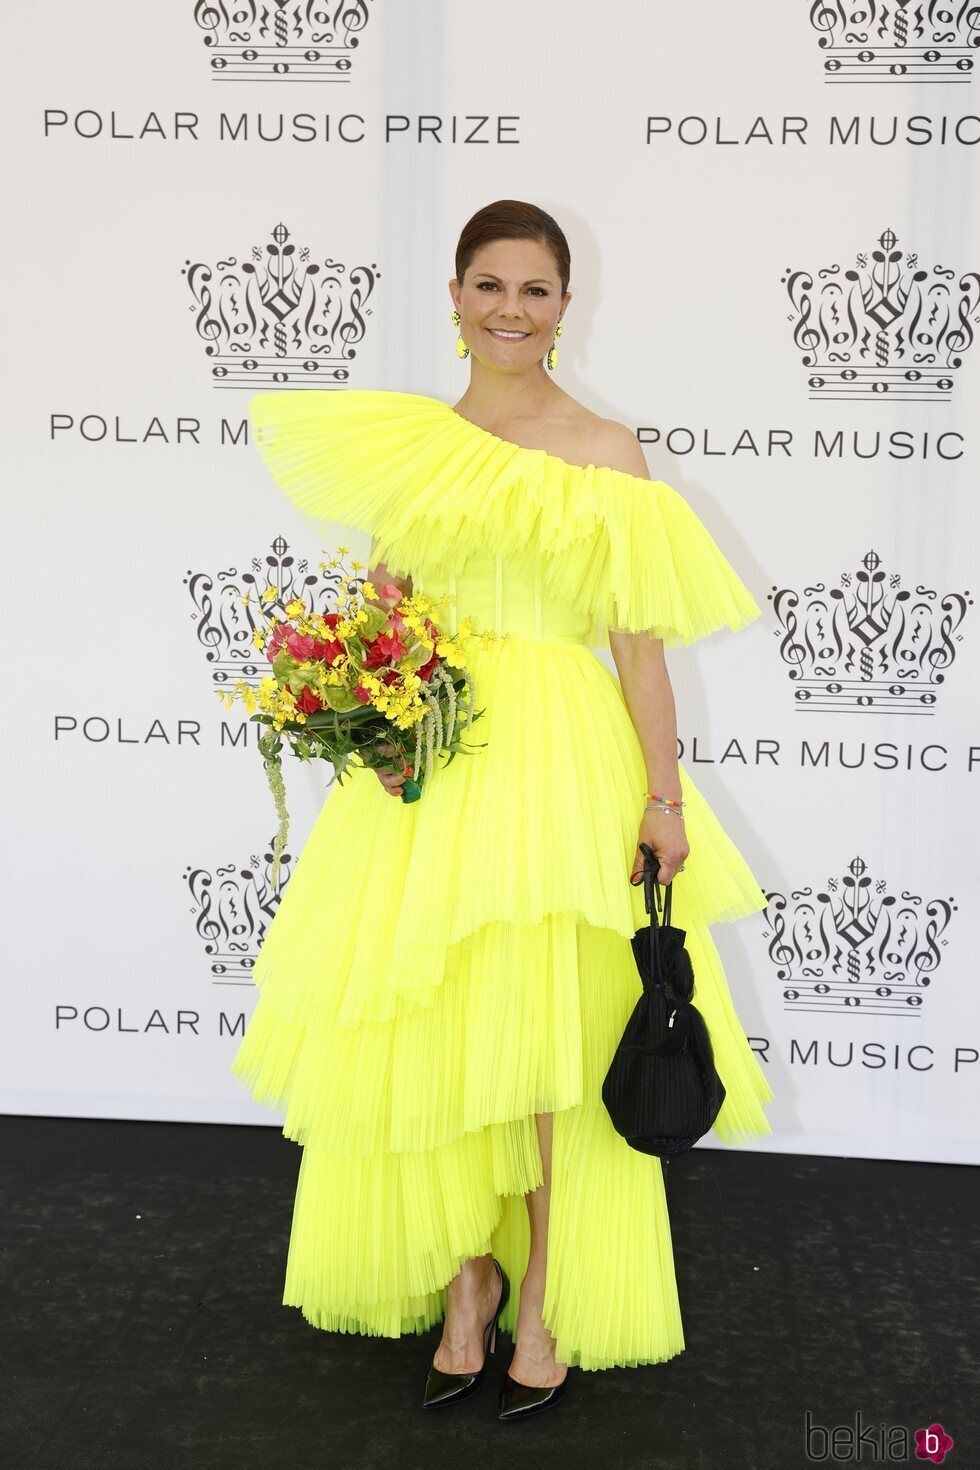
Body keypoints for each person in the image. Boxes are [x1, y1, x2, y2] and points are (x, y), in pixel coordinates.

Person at [231, 198, 774, 1422]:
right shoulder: (414, 444)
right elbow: (384, 605)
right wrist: (365, 724)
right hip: (431, 767)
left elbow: (639, 649)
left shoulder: (606, 450)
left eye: (533, 290)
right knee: (435, 1037)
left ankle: (540, 1305)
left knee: (540, 1057)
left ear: (565, 309)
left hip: (556, 764)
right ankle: (465, 1291)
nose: (509, 310)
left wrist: (661, 797)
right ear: (454, 297)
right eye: (488, 285)